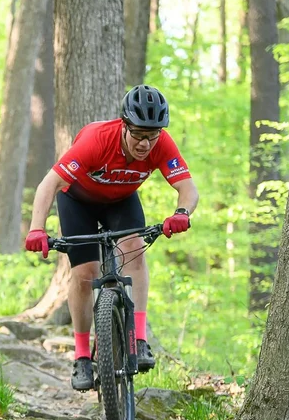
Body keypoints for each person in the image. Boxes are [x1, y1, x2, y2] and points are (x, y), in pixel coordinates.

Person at [24, 85, 198, 392]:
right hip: (77, 201)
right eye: (140, 135)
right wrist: (37, 228)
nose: (146, 143)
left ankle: (139, 339)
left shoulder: (161, 144)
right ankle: (81, 356)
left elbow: (188, 187)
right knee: (84, 274)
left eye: (153, 135)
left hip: (121, 202)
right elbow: (48, 185)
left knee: (134, 249)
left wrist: (182, 212)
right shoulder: (96, 140)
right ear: (124, 125)